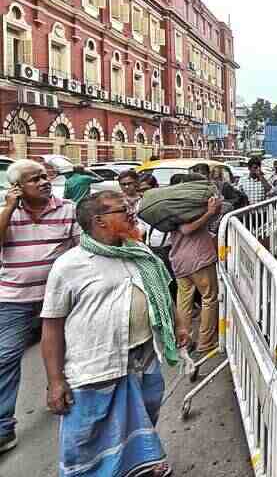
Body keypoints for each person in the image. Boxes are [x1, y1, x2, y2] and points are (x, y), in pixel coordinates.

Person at [41, 191, 182, 477]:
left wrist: (178, 324)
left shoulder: (138, 250)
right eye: (123, 210)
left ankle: (140, 466)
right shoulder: (69, 265)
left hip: (143, 356)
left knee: (143, 415)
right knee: (88, 433)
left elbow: (163, 292)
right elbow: (52, 325)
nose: (132, 213)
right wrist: (55, 382)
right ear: (100, 221)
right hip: (96, 364)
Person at [0, 160, 80, 453]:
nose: (44, 181)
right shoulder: (6, 213)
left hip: (58, 297)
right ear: (18, 188)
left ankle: (57, 389)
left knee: (65, 348)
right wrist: (8, 209)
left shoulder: (68, 209)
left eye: (45, 176)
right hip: (14, 299)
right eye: (35, 179)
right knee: (5, 358)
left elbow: (77, 250)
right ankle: (3, 428)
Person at [169, 174, 222, 357]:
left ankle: (185, 340)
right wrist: (208, 212)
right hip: (198, 259)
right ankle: (205, 342)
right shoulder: (185, 207)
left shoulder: (172, 207)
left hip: (179, 259)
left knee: (184, 301)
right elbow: (187, 229)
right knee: (209, 298)